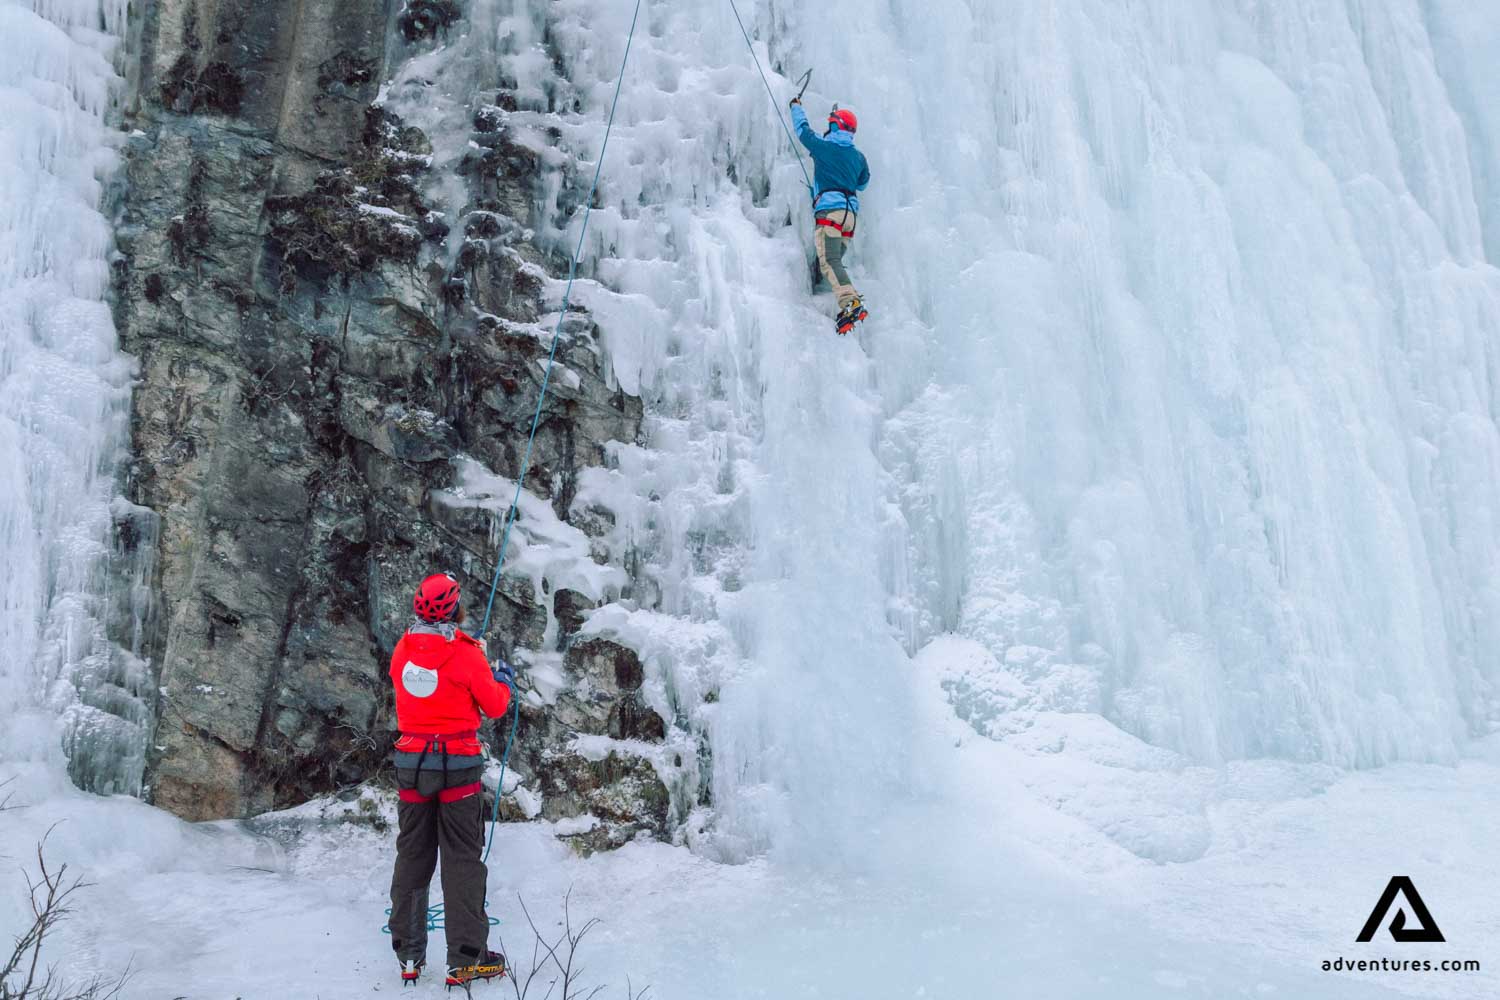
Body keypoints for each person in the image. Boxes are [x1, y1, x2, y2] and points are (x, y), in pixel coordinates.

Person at [387, 571, 515, 987]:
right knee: (461, 859)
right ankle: (467, 958)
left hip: (412, 766)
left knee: (413, 856)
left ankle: (408, 953)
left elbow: (420, 684)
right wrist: (503, 680)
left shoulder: (402, 650)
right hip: (457, 767)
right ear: (455, 607)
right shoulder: (465, 653)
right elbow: (494, 706)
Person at [790, 97, 870, 334]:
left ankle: (850, 303)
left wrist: (796, 106)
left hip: (830, 213)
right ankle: (841, 298)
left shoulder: (824, 148)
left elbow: (803, 132)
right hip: (849, 218)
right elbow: (863, 183)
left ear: (835, 125)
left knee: (830, 261)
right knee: (832, 262)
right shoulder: (858, 157)